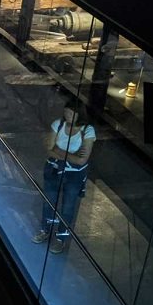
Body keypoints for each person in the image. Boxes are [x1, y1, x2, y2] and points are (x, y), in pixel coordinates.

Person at [32, 99, 96, 254]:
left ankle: (61, 238)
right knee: (49, 202)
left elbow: (82, 160)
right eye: (66, 112)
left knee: (68, 207)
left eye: (71, 113)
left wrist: (58, 151)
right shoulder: (58, 124)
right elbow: (48, 149)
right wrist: (70, 155)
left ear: (79, 114)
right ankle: (45, 230)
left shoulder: (87, 131)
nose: (68, 115)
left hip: (73, 175)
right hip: (54, 170)